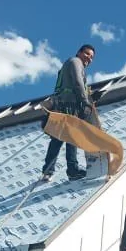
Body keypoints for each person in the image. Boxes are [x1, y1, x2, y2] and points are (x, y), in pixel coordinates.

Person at [41, 44, 96, 181]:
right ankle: (72, 169)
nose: (89, 58)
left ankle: (48, 170)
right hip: (68, 106)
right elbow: (78, 81)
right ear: (79, 52)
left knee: (57, 139)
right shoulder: (75, 62)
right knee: (72, 136)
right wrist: (85, 101)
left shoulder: (71, 63)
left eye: (91, 57)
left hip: (61, 105)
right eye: (87, 54)